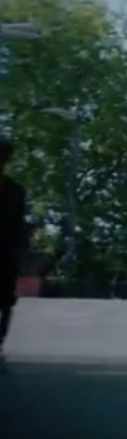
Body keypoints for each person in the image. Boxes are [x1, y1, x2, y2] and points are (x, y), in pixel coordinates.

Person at [1, 141, 27, 352]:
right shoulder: (15, 191)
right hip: (7, 255)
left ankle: (1, 338)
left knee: (6, 300)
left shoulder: (15, 191)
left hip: (6, 255)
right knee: (5, 300)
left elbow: (17, 227)